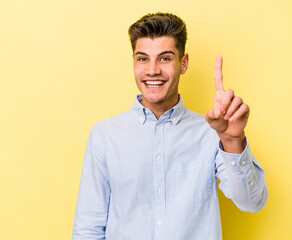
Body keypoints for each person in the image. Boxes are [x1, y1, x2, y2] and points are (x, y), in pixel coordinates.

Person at [72, 12, 267, 240]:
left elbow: (252, 203)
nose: (152, 70)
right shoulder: (104, 135)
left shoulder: (211, 133)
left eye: (165, 58)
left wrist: (232, 140)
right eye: (143, 58)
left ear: (183, 64)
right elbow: (88, 228)